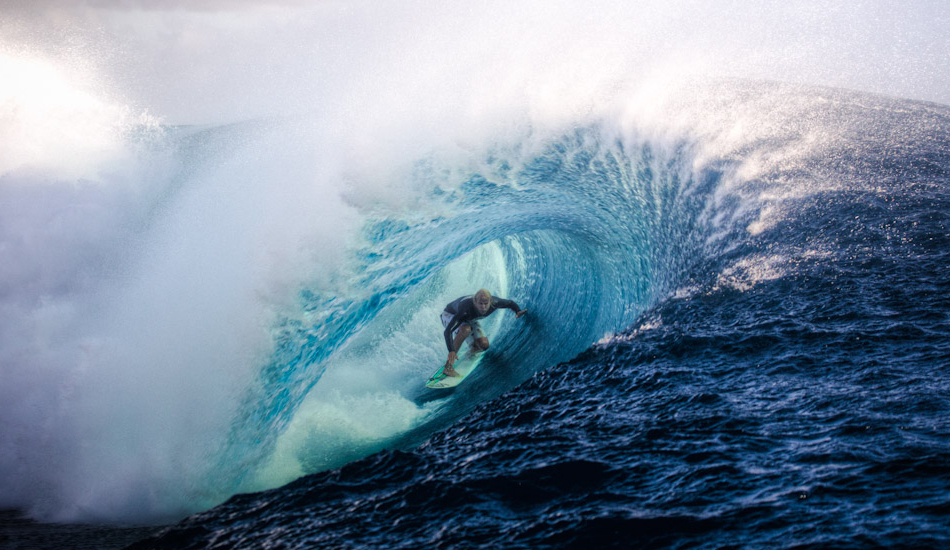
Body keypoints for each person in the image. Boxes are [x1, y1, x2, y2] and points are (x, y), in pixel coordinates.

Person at [441, 288, 527, 377]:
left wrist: (518, 311)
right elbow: (447, 331)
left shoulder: (495, 302)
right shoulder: (465, 309)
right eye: (480, 304)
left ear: (490, 302)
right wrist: (451, 350)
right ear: (475, 302)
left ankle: (470, 352)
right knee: (465, 329)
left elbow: (510, 303)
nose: (483, 307)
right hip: (449, 315)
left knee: (483, 345)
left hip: (469, 319)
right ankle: (448, 367)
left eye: (486, 304)